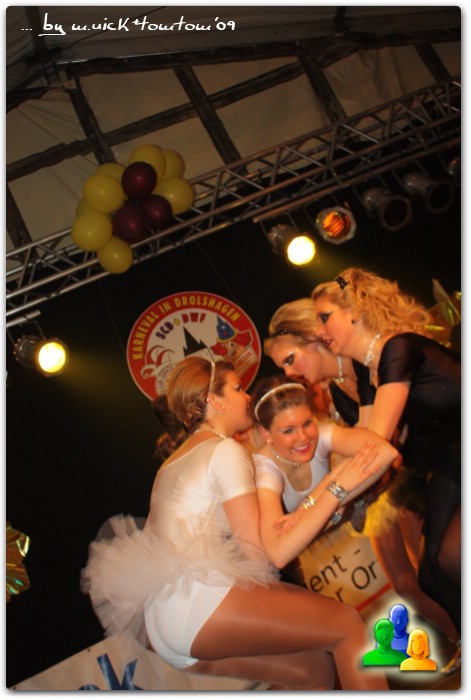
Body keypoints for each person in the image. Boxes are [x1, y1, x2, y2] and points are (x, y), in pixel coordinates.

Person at [81, 357, 389, 690]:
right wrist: (334, 490)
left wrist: (306, 513)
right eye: (239, 388)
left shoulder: (169, 465)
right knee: (346, 625)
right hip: (202, 602)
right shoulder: (225, 450)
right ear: (215, 400)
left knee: (312, 671)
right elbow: (262, 559)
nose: (247, 397)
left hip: (162, 625)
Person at [264, 298, 460, 659]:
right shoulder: (341, 387)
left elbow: (375, 449)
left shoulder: (372, 363)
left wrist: (313, 508)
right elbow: (366, 457)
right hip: (434, 467)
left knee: (443, 562)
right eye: (283, 367)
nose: (290, 374)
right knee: (429, 577)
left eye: (290, 359)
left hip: (450, 455)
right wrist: (311, 509)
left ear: (312, 337)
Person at [312, 268, 461, 643]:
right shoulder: (370, 371)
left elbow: (375, 447)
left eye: (325, 317)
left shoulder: (397, 349)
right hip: (453, 462)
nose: (319, 330)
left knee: (450, 557)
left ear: (354, 312)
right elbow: (367, 449)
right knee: (429, 576)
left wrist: (322, 503)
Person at [249, 375, 398, 567]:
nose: (303, 437)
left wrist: (308, 507)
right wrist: (338, 488)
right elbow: (278, 554)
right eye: (288, 430)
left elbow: (386, 452)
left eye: (307, 423)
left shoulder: (322, 433)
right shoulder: (264, 471)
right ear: (266, 434)